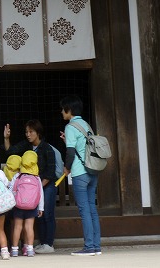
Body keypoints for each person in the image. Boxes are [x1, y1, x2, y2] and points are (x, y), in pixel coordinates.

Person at [3, 119, 57, 254]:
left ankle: (48, 243)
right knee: (34, 216)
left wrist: (38, 187)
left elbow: (50, 173)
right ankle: (40, 243)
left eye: (31, 132)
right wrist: (6, 138)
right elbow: (10, 152)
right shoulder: (26, 145)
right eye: (26, 132)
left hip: (46, 184)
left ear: (38, 132)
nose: (28, 134)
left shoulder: (47, 148)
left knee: (47, 214)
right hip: (31, 187)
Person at [59, 95, 101, 256]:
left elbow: (70, 152)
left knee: (84, 210)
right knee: (92, 209)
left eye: (63, 109)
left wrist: (66, 168)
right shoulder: (86, 125)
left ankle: (88, 246)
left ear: (69, 110)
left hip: (79, 172)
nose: (62, 112)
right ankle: (96, 246)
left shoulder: (70, 127)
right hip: (92, 171)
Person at [9, 150, 44, 257]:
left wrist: (12, 203)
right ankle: (29, 249)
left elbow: (11, 189)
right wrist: (41, 208)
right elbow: (40, 193)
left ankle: (14, 249)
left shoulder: (18, 176)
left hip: (18, 205)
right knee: (29, 227)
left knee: (17, 227)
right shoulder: (37, 178)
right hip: (32, 206)